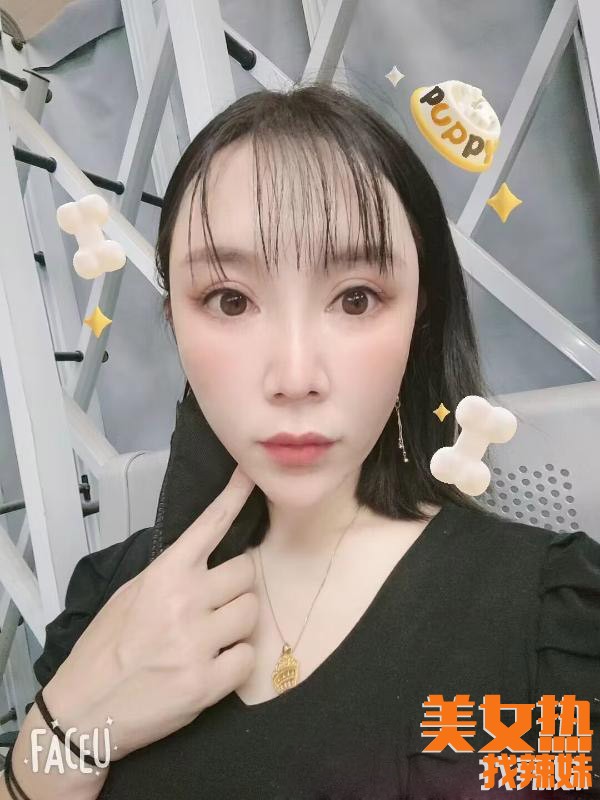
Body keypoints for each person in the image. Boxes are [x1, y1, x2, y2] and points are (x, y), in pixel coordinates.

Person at [2, 83, 599, 800]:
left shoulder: (548, 618)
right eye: (229, 300)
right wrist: (68, 730)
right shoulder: (110, 598)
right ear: (174, 321)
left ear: (421, 314)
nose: (293, 378)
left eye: (356, 298)